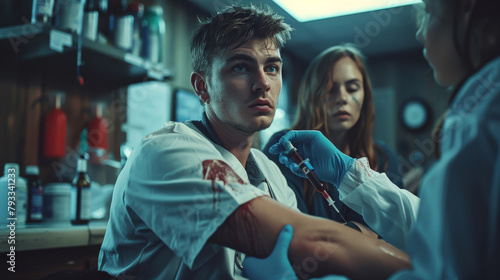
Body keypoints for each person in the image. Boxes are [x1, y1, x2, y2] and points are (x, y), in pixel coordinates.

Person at [98, 4, 411, 280]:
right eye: (240, 67)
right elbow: (316, 244)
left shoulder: (267, 168)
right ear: (202, 87)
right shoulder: (166, 151)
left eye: (272, 68)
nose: (262, 82)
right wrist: (428, 271)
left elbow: (307, 256)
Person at [250, 0, 500, 278]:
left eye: (429, 11)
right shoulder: (289, 148)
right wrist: (361, 232)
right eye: (330, 89)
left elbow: (442, 261)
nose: (419, 33)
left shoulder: (486, 117)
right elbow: (434, 236)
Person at [263, 44, 404, 226]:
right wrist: (364, 235)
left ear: (365, 96)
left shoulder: (383, 158)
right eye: (330, 89)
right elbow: (295, 230)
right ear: (312, 95)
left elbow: (398, 229)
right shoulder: (288, 146)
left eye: (352, 88)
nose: (342, 98)